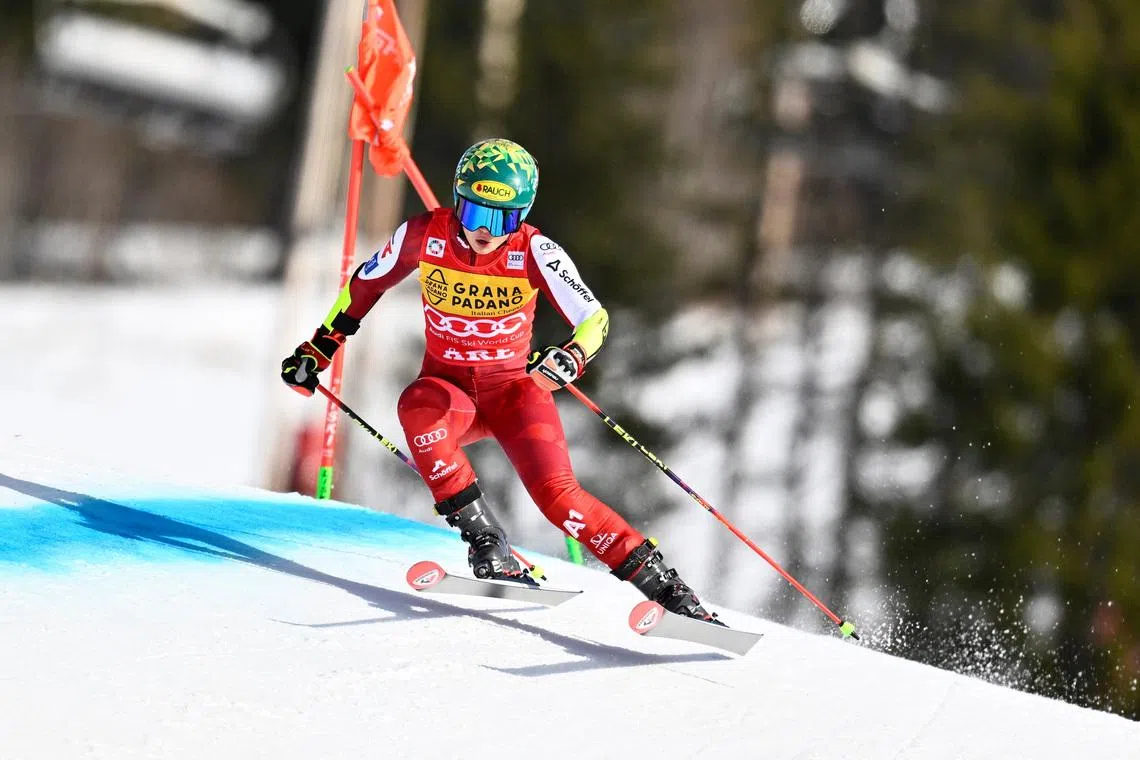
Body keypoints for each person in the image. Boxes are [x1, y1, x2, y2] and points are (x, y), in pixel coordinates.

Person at [281, 138, 720, 623]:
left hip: (513, 395)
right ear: (457, 200)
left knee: (559, 500)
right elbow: (365, 284)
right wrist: (319, 348)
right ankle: (488, 544)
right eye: (474, 213)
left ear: (522, 215)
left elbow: (594, 318)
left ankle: (672, 595)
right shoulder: (423, 235)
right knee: (417, 406)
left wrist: (572, 355)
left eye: (502, 219)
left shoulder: (535, 250)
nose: (485, 232)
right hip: (450, 395)